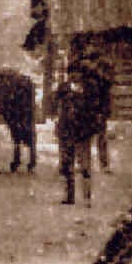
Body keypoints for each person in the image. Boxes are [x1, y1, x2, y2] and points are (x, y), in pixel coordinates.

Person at [52, 54, 102, 206]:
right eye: (71, 72)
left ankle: (87, 197)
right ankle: (69, 196)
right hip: (66, 131)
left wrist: (91, 126)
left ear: (82, 74)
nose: (74, 75)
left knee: (84, 166)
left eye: (77, 72)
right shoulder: (63, 88)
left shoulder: (90, 89)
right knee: (66, 165)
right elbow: (54, 104)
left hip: (82, 132)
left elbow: (95, 109)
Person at [74, 39, 114, 173]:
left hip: (98, 108)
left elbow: (107, 86)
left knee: (99, 137)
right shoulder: (82, 70)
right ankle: (85, 163)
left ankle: (103, 164)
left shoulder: (102, 70)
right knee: (86, 137)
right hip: (87, 108)